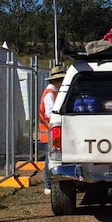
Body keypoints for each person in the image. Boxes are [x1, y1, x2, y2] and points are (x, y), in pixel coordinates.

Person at [40, 65, 66, 195]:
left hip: (49, 130)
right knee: (49, 159)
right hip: (48, 130)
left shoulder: (53, 91)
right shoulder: (50, 93)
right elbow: (49, 114)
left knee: (50, 157)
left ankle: (49, 184)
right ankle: (48, 184)